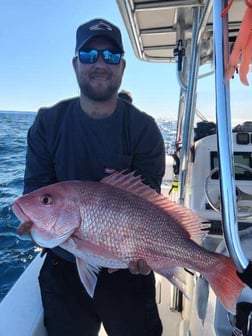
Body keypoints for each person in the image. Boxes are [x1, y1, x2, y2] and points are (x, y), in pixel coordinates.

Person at [23, 18, 165, 336]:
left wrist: (144, 253)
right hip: (64, 264)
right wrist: (36, 229)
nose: (100, 63)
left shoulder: (144, 130)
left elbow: (150, 205)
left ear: (122, 66)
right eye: (90, 55)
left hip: (129, 269)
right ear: (76, 64)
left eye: (111, 56)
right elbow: (34, 195)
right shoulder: (48, 123)